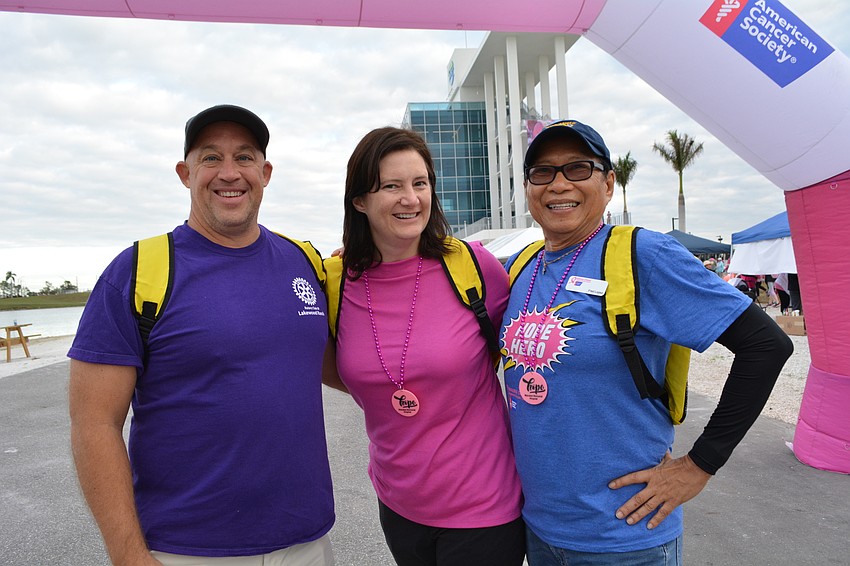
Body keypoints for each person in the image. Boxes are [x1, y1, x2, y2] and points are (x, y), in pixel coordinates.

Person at [502, 119, 793, 565]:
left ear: (608, 184)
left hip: (625, 539)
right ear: (528, 188)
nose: (559, 184)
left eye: (578, 168)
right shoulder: (521, 266)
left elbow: (766, 346)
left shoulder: (644, 255)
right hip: (539, 530)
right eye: (543, 172)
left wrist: (700, 465)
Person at [68, 105, 335, 566]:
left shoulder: (304, 262)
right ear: (185, 173)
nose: (229, 173)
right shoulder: (139, 272)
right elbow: (94, 424)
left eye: (244, 157)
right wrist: (129, 556)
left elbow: (342, 364)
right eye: (211, 157)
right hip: (186, 550)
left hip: (307, 542)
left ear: (265, 173)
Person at [322, 127, 525, 565]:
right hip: (398, 504)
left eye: (420, 183)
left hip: (483, 505)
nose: (410, 199)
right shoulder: (336, 281)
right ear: (359, 201)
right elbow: (333, 368)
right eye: (391, 186)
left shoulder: (473, 266)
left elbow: (526, 354)